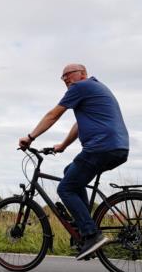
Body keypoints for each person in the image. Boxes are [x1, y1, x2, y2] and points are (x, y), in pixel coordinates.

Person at [18, 63, 129, 259]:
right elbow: (79, 124)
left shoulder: (81, 87)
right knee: (70, 172)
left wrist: (30, 137)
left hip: (100, 147)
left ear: (83, 74)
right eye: (63, 78)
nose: (66, 80)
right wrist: (63, 145)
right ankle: (84, 227)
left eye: (69, 75)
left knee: (65, 188)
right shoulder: (97, 88)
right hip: (117, 147)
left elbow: (53, 115)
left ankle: (91, 234)